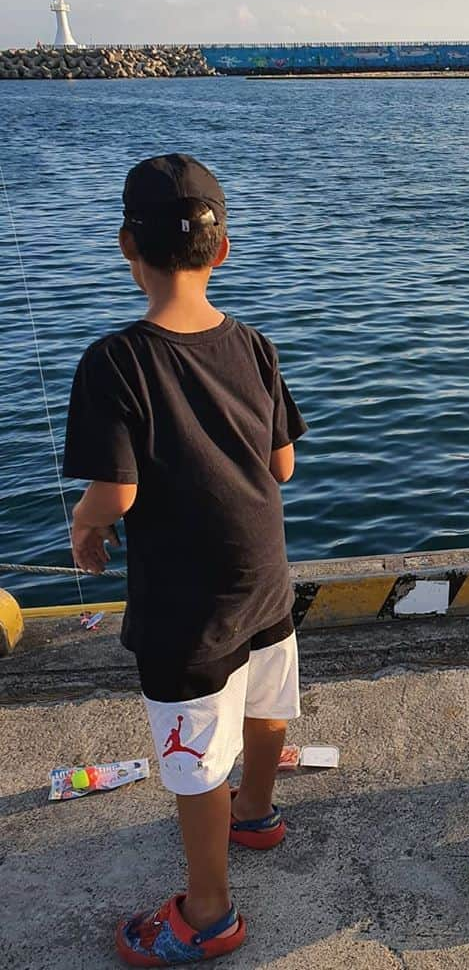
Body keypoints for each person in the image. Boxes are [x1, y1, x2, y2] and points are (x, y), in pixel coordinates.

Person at [63, 154, 308, 965]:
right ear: (224, 249)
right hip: (264, 574)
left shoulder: (114, 361)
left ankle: (207, 914)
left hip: (184, 606)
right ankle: (260, 815)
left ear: (124, 245)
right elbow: (282, 468)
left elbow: (117, 493)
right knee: (267, 698)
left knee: (194, 756)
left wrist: (84, 526)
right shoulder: (256, 345)